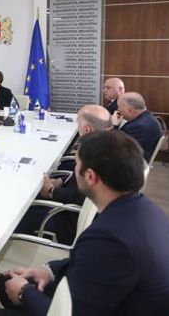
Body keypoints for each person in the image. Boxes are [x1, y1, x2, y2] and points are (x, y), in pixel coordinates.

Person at [0, 130, 169, 316]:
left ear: (91, 176)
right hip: (116, 301)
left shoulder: (109, 237)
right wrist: (48, 270)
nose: (74, 171)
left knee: (9, 289)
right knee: (6, 282)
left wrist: (23, 292)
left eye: (77, 165)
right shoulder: (142, 210)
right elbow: (94, 265)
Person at [14, 105, 112, 245]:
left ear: (87, 129)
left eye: (78, 123)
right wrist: (61, 181)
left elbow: (81, 197)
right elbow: (77, 179)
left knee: (17, 215)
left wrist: (51, 191)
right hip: (75, 208)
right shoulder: (107, 145)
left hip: (66, 219)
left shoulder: (95, 155)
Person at [112, 92, 163, 161]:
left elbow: (117, 148)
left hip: (129, 162)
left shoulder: (139, 126)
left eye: (119, 107)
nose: (118, 110)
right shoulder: (147, 118)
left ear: (130, 111)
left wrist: (114, 126)